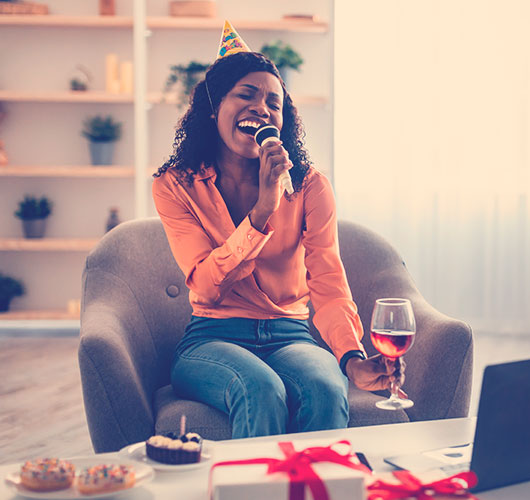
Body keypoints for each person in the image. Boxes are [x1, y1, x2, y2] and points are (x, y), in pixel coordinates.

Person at [151, 22, 402, 438]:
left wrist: (351, 357)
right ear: (214, 108)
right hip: (212, 337)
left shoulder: (309, 186)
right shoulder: (176, 185)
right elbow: (207, 287)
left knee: (324, 387)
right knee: (260, 387)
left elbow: (328, 282)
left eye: (274, 102)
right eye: (246, 95)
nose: (261, 109)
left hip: (291, 335)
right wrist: (263, 210)